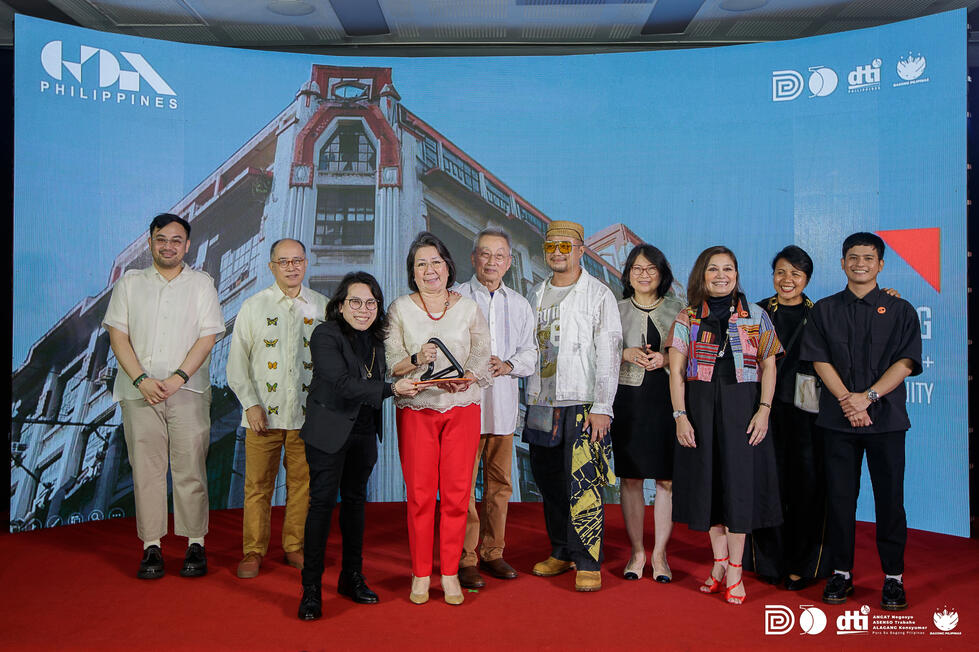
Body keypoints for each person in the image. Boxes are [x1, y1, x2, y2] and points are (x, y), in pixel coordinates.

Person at [800, 232, 922, 611]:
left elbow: (905, 363)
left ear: (881, 264)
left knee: (891, 502)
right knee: (839, 500)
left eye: (869, 258)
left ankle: (893, 579)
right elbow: (820, 360)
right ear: (842, 263)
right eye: (853, 257)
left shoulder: (901, 310)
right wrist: (846, 401)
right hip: (837, 423)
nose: (860, 264)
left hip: (886, 422)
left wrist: (866, 398)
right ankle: (841, 573)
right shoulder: (824, 309)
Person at [102, 213, 225, 579]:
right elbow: (117, 335)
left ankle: (195, 544)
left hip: (187, 390)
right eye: (161, 239)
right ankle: (151, 547)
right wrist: (140, 378)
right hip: (139, 393)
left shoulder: (202, 284)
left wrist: (178, 377)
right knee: (147, 470)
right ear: (150, 242)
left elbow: (208, 336)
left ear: (187, 245)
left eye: (176, 240)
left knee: (190, 469)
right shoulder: (130, 284)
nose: (168, 246)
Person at [297, 272, 423, 620]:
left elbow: (386, 371)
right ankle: (311, 590)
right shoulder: (325, 334)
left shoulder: (379, 339)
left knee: (355, 505)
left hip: (365, 432)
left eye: (371, 303)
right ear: (340, 304)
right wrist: (392, 390)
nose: (364, 309)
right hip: (328, 432)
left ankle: (351, 577)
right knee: (321, 506)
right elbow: (341, 384)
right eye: (355, 302)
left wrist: (415, 361)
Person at [667, 245, 783, 605]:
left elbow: (770, 367)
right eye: (713, 269)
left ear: (737, 274)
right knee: (710, 490)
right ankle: (718, 564)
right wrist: (680, 416)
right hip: (699, 412)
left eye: (728, 269)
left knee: (739, 489)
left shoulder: (756, 316)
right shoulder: (687, 317)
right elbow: (675, 371)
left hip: (742, 410)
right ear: (702, 275)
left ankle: (735, 569)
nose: (721, 276)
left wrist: (764, 410)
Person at [385, 231, 492, 606]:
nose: (430, 270)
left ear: (448, 266)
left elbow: (481, 352)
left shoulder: (468, 307)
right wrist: (416, 362)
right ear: (412, 273)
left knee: (457, 494)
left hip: (463, 409)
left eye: (436, 262)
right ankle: (419, 573)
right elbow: (393, 363)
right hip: (417, 410)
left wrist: (465, 380)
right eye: (421, 264)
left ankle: (449, 573)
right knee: (418, 495)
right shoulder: (400, 308)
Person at [524, 220, 622, 593]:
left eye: (567, 247)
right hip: (540, 400)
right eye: (552, 247)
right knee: (548, 481)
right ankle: (561, 550)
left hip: (582, 403)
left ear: (581, 251)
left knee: (583, 485)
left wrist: (603, 406)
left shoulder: (599, 295)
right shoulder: (534, 294)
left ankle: (587, 560)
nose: (558, 253)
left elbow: (610, 354)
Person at [226, 239, 326, 578]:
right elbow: (236, 363)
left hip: (307, 417)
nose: (291, 267)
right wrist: (251, 405)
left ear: (306, 263)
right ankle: (253, 551)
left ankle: (294, 546)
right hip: (262, 418)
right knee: (257, 486)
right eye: (284, 262)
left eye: (297, 260)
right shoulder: (254, 306)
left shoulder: (322, 307)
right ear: (272, 266)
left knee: (303, 484)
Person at [743, 246, 832, 590]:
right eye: (781, 272)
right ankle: (767, 562)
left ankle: (802, 565)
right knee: (767, 484)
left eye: (796, 273)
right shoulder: (756, 312)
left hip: (809, 414)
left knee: (807, 487)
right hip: (762, 410)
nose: (787, 280)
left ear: (807, 278)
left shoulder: (821, 313)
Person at [454, 228, 538, 590]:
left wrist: (507, 365)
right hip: (464, 406)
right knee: (461, 487)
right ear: (474, 258)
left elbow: (531, 354)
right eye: (485, 255)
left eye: (499, 256)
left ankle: (493, 551)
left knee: (500, 485)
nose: (492, 262)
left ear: (508, 262)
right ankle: (465, 557)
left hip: (503, 410)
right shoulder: (455, 296)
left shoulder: (519, 303)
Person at [610, 244, 685, 583]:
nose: (643, 275)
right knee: (631, 477)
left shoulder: (679, 309)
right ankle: (638, 552)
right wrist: (623, 353)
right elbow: (601, 350)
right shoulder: (615, 308)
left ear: (661, 274)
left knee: (667, 479)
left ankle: (661, 555)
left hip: (668, 399)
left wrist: (666, 359)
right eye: (637, 269)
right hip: (628, 399)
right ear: (627, 274)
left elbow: (693, 353)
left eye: (650, 269)